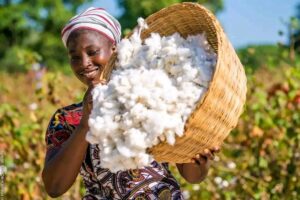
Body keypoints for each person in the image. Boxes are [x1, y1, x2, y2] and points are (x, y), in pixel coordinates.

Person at [42, 7, 220, 199]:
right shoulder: (67, 119)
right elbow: (54, 187)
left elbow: (192, 176)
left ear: (114, 49)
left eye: (92, 52)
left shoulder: (153, 97)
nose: (84, 62)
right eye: (75, 57)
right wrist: (86, 121)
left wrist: (201, 160)